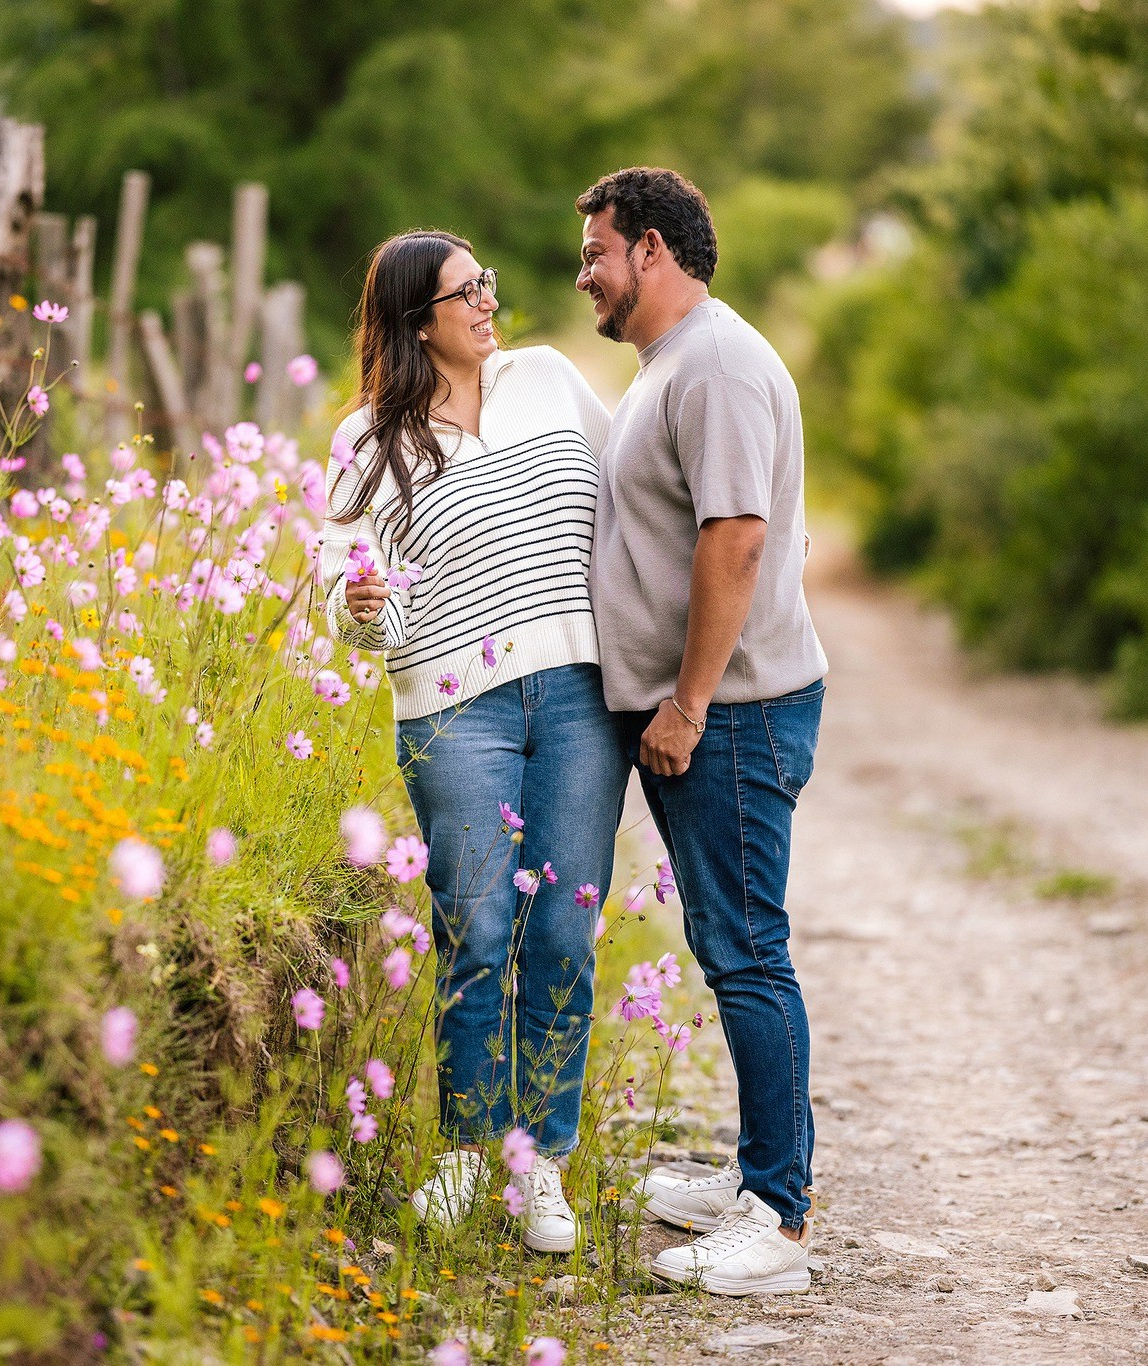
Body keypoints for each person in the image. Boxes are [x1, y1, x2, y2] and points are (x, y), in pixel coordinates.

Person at [316, 230, 627, 1253]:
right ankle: (462, 1154)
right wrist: (360, 603)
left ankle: (540, 1168)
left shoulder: (546, 379)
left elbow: (632, 483)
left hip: (580, 695)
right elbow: (351, 602)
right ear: (417, 320)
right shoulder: (367, 440)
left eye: (486, 282)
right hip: (455, 713)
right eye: (465, 291)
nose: (488, 301)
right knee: (475, 930)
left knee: (562, 933)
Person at [575, 167, 829, 1296]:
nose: (583, 271)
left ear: (652, 251)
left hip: (727, 713)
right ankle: (754, 1178)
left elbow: (735, 540)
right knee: (730, 947)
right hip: (707, 710)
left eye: (596, 251)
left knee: (745, 952)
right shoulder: (674, 364)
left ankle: (774, 1218)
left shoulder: (714, 364)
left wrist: (684, 701)